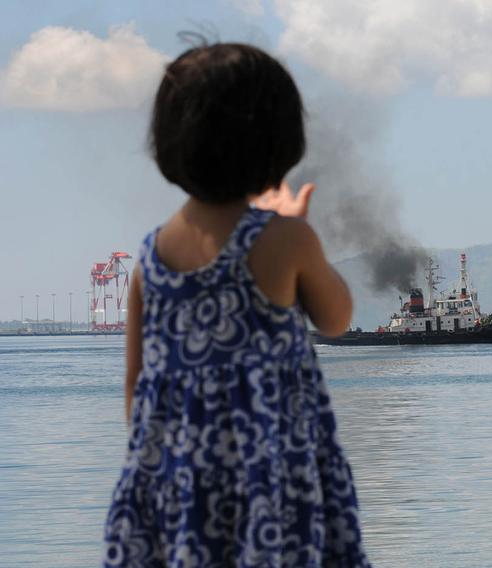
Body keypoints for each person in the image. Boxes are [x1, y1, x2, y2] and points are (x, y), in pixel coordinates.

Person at [102, 42, 370, 567]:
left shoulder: (149, 259)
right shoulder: (284, 241)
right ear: (278, 145)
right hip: (271, 477)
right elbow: (338, 319)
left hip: (176, 482)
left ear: (169, 145)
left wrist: (175, 459)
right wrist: (295, 225)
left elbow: (135, 390)